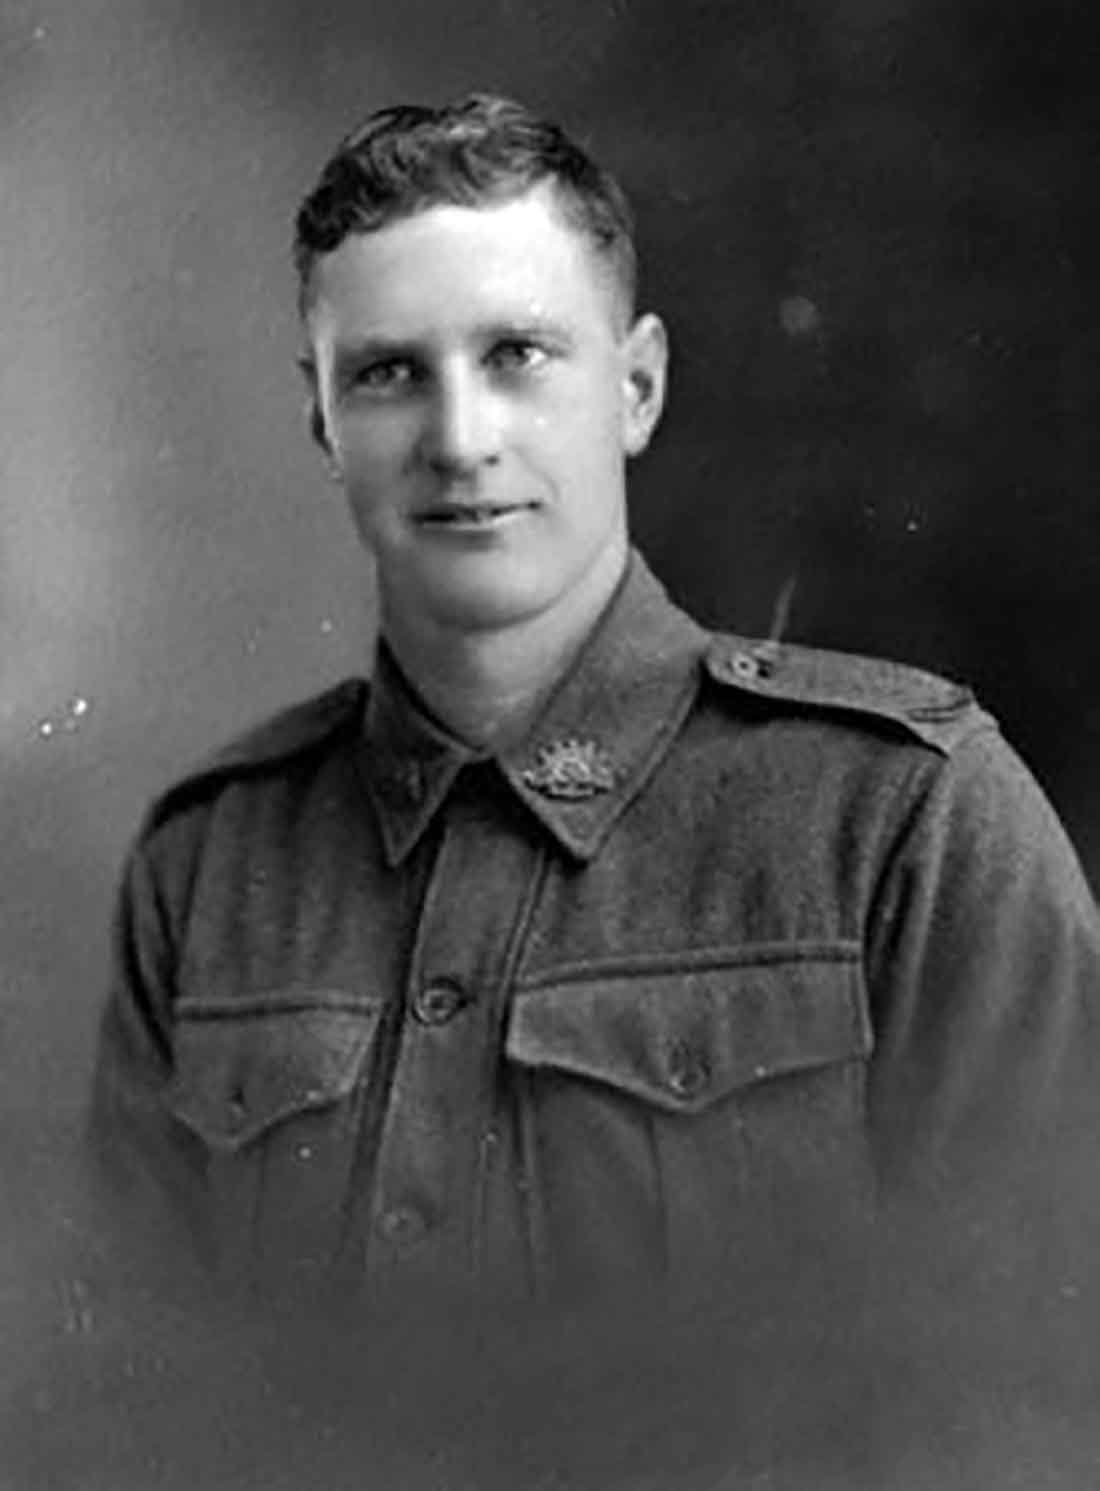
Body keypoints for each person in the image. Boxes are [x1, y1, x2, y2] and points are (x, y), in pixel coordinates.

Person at [85, 91, 1100, 1480]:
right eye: (388, 373)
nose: (459, 437)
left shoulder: (901, 822)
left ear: (636, 388)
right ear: (320, 417)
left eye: (516, 355)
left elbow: (1051, 1402)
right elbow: (128, 1426)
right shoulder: (210, 869)